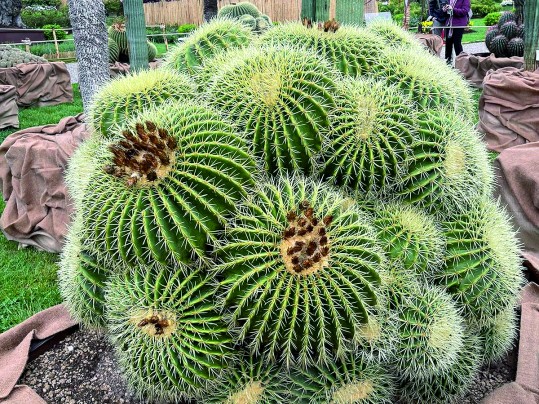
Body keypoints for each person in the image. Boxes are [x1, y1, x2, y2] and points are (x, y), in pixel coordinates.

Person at [443, 0, 471, 65]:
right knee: (448, 44)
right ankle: (448, 63)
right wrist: (445, 10)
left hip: (459, 24)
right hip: (449, 24)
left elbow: (465, 11)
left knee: (457, 44)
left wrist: (453, 9)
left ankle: (461, 63)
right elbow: (446, 13)